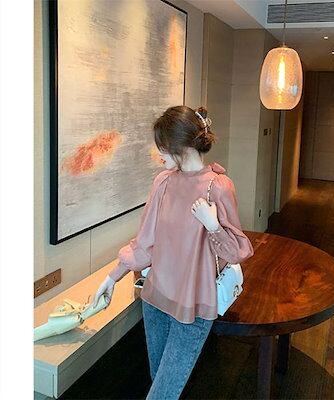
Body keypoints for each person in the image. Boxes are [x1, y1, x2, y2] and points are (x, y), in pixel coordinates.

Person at [93, 105, 254, 399]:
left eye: (162, 147)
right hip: (155, 299)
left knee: (162, 394)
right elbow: (145, 243)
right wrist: (113, 276)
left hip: (192, 309)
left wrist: (213, 225)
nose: (159, 155)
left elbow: (238, 251)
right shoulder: (163, 182)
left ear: (181, 144)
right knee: (159, 382)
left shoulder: (218, 187)